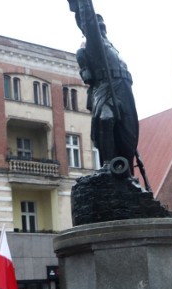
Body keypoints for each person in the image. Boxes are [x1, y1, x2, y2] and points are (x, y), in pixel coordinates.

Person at [68, 0, 139, 175]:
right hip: (106, 87)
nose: (101, 28)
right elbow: (87, 19)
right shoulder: (94, 44)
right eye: (98, 26)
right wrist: (83, 4)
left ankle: (125, 172)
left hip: (124, 90)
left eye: (102, 26)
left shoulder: (112, 47)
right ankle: (109, 166)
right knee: (105, 119)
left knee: (128, 138)